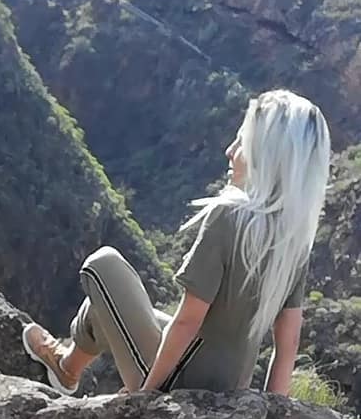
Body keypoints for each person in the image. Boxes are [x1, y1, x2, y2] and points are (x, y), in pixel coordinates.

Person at [23, 89, 331, 396]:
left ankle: (75, 370)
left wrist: (147, 395)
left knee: (101, 265)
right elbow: (287, 345)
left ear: (265, 156)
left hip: (181, 381)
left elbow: (187, 322)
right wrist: (271, 414)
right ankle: (66, 369)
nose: (230, 150)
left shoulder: (227, 218)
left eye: (241, 142)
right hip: (230, 389)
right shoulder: (294, 239)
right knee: (106, 302)